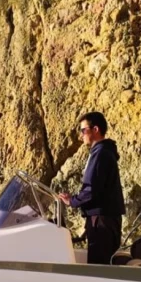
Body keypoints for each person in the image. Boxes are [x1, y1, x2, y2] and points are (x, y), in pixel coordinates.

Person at [59, 112, 125, 264]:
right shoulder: (105, 151)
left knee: (99, 267)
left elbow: (92, 189)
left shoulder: (100, 153)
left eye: (83, 130)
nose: (81, 135)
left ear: (95, 129)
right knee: (105, 265)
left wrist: (73, 201)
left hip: (101, 221)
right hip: (107, 219)